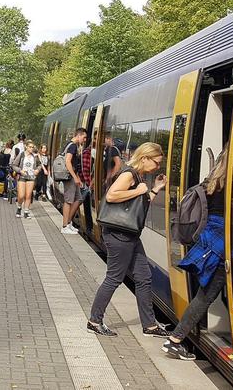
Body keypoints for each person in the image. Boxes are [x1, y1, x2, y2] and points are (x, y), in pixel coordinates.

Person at [162, 150, 233, 360]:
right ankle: (175, 340)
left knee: (205, 294)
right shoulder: (231, 189)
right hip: (220, 248)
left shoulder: (212, 184)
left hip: (210, 244)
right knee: (205, 296)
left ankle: (175, 339)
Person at [87, 142, 170, 338]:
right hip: (119, 234)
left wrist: (155, 189)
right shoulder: (129, 174)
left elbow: (137, 205)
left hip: (129, 233)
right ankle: (94, 320)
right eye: (156, 163)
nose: (157, 167)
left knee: (143, 277)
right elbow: (112, 196)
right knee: (114, 277)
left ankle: (149, 325)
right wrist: (138, 190)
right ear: (144, 158)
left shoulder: (138, 176)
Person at [61, 128, 87, 234]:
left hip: (73, 176)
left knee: (78, 198)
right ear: (79, 135)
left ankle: (68, 222)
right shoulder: (72, 146)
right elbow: (68, 162)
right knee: (68, 200)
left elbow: (74, 164)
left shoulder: (74, 146)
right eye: (84, 137)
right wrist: (75, 177)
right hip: (69, 177)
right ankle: (64, 226)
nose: (85, 140)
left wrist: (78, 178)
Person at [11, 142, 39, 219]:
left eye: (32, 147)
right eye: (30, 147)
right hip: (22, 177)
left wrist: (37, 170)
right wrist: (20, 171)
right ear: (26, 147)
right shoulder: (22, 155)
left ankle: (26, 211)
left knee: (28, 195)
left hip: (31, 177)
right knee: (21, 195)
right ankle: (19, 207)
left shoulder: (35, 156)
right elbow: (14, 165)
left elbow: (40, 165)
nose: (31, 148)